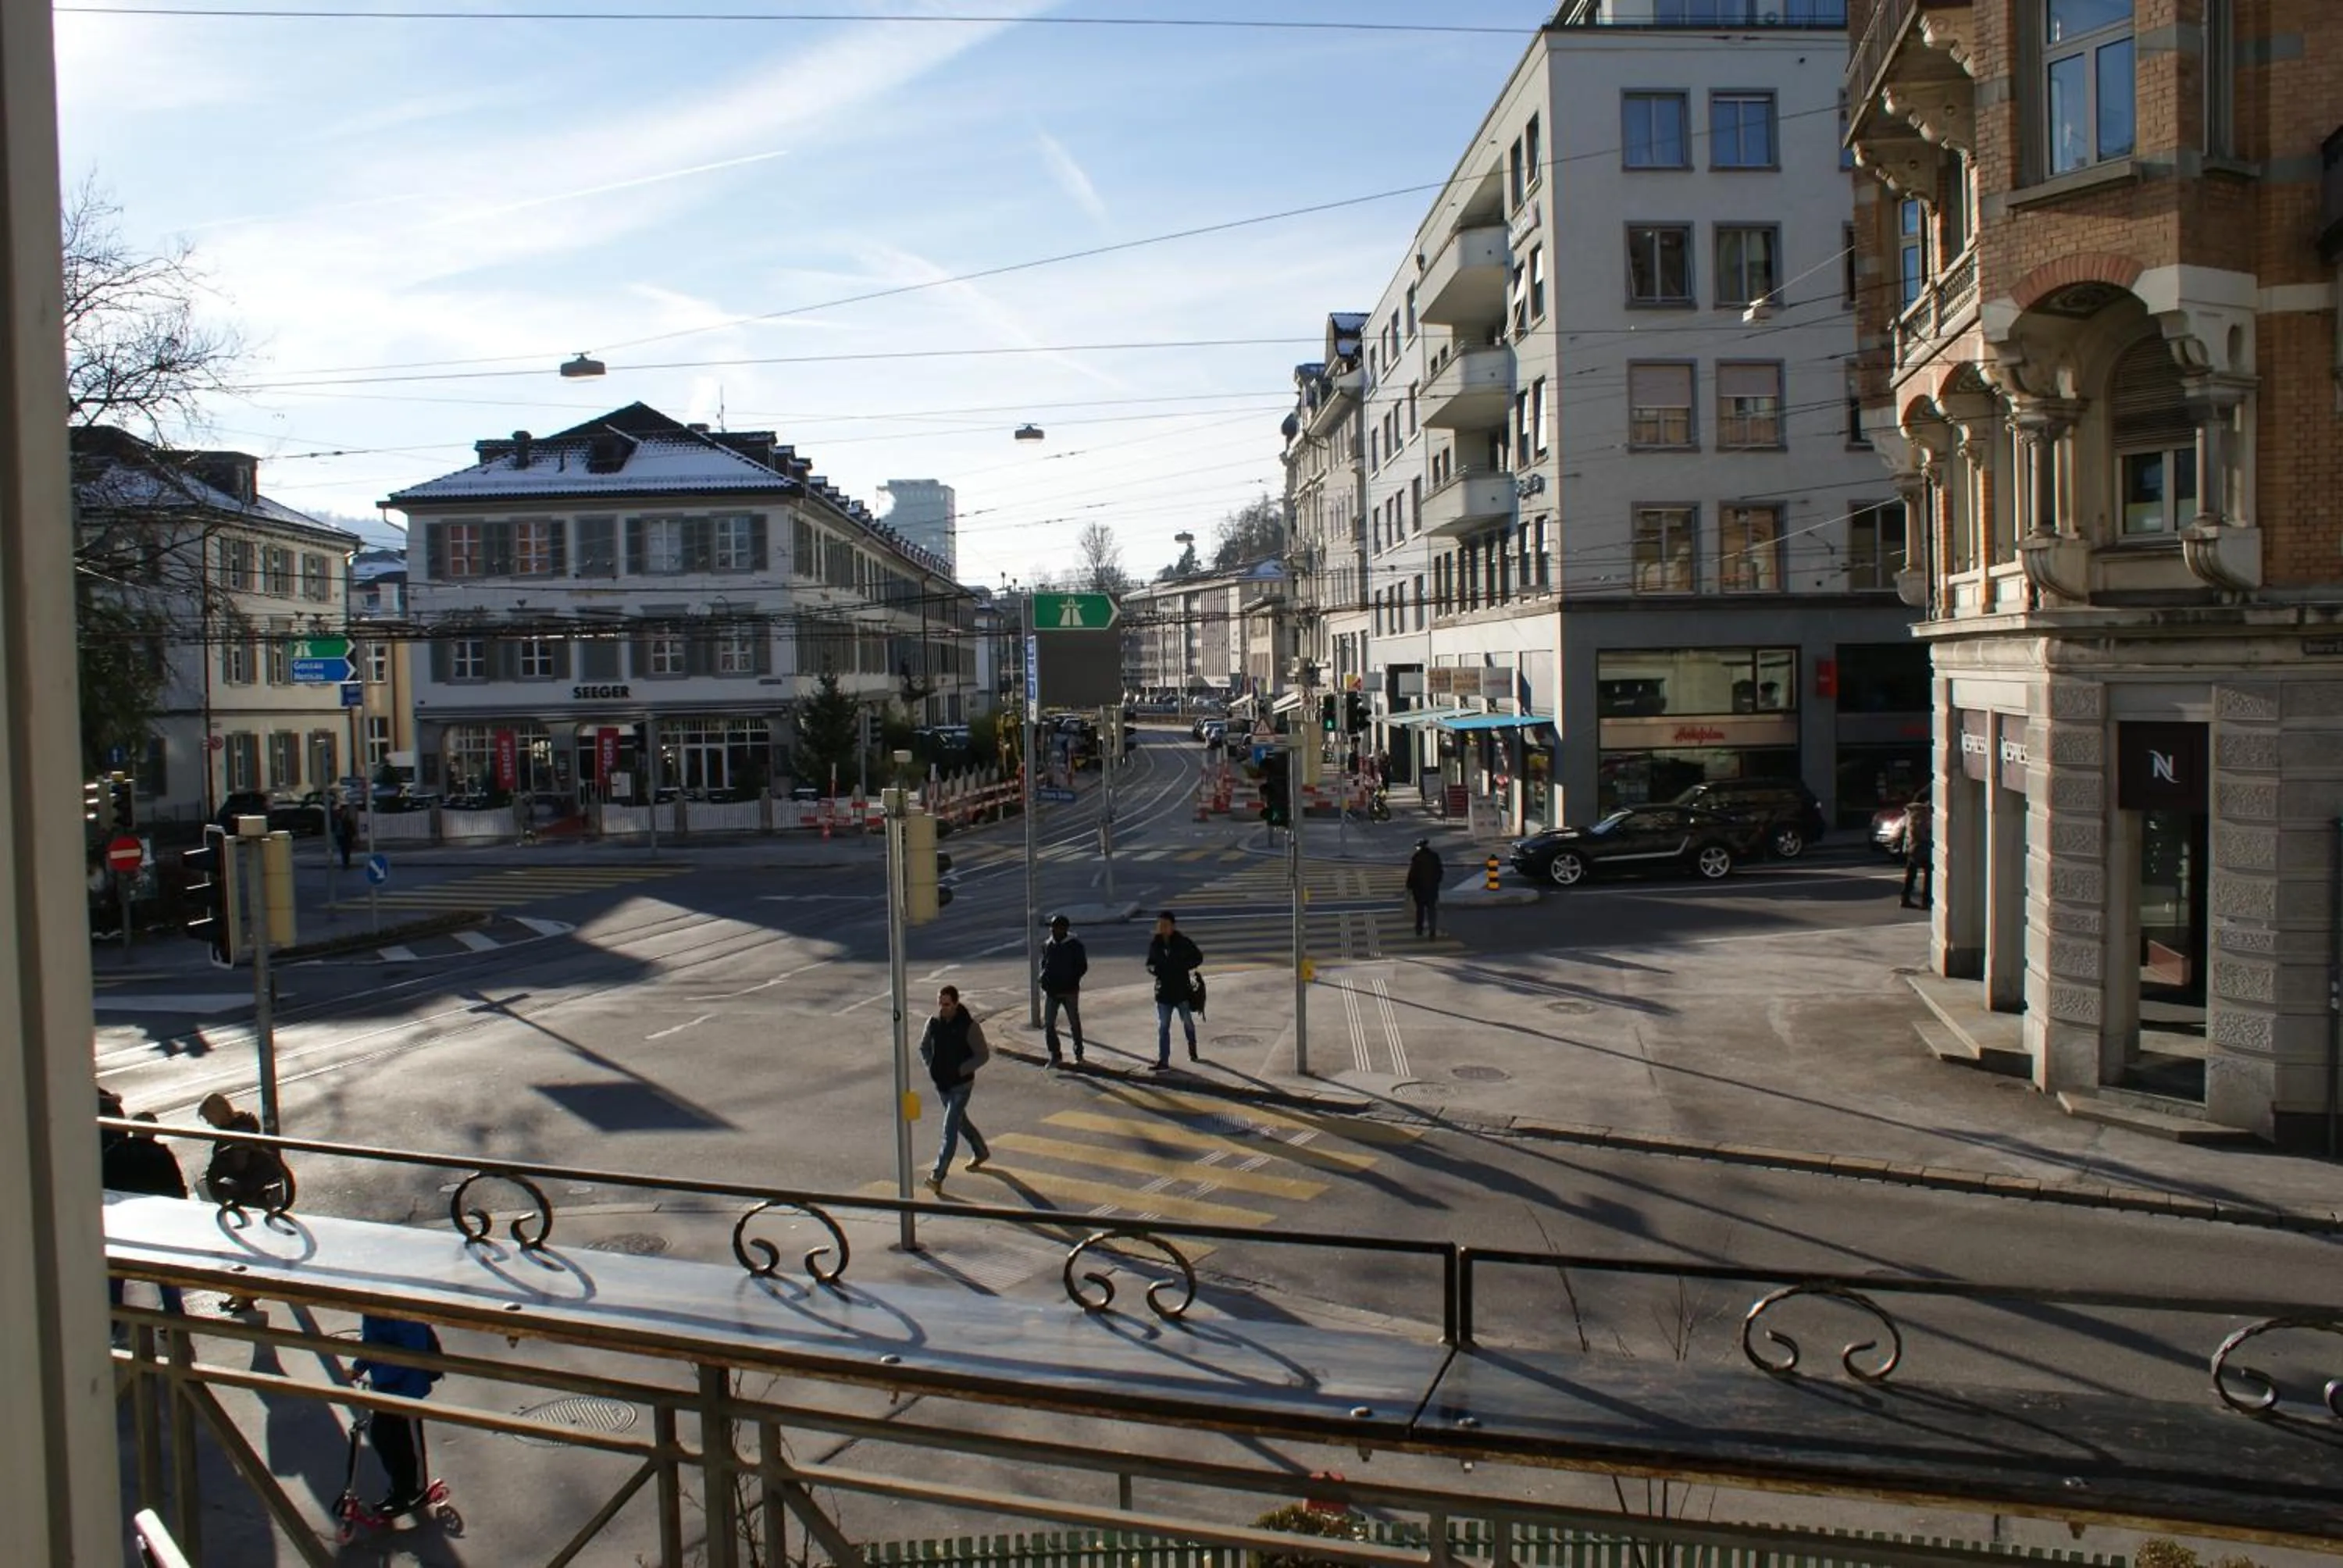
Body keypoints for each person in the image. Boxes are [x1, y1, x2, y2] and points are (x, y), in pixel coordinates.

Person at [198, 1091, 291, 1314]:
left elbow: (237, 1165)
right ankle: (242, 1293)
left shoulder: (234, 1134)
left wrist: (214, 1178)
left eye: (209, 1118)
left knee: (242, 1245)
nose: (210, 1124)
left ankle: (244, 1294)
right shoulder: (241, 1126)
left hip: (249, 1190)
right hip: (256, 1185)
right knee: (246, 1245)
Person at [352, 1313, 444, 1517]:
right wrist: (358, 1367)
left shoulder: (406, 1317)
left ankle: (417, 1490)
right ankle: (400, 1486)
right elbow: (370, 1344)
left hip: (407, 1387)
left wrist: (384, 1376)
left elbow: (412, 1354)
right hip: (386, 1387)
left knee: (408, 1440)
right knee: (382, 1435)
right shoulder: (370, 1314)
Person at [102, 1111, 188, 1324]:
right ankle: (174, 1318)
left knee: (116, 1272)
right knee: (164, 1273)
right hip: (156, 1222)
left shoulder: (114, 1152)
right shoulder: (162, 1155)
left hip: (122, 1221)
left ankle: (113, 1318)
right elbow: (177, 1191)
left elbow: (102, 1186)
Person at [916, 985, 993, 1192]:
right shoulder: (933, 1023)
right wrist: (932, 1066)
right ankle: (981, 1150)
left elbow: (983, 1055)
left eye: (947, 1004)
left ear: (956, 1003)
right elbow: (923, 1047)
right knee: (960, 1122)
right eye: (940, 1004)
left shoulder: (969, 1026)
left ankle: (937, 1176)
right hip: (942, 1085)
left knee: (949, 1129)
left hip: (961, 1086)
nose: (943, 1008)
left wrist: (961, 1069)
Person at [1144, 911, 1205, 1071]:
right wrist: (1154, 969)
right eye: (1160, 925)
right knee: (1164, 1027)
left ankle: (1192, 1049)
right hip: (1163, 993)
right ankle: (1163, 1060)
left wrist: (1183, 966)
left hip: (1181, 991)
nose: (1162, 928)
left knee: (1187, 1022)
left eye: (1165, 925)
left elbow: (1198, 957)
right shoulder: (1155, 944)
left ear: (1173, 926)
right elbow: (1149, 963)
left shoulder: (1182, 942)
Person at [1038, 914, 1089, 1068]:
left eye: (1057, 928)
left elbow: (1082, 967)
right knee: (1049, 1023)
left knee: (1074, 1022)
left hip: (1069, 991)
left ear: (1065, 929)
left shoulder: (1074, 945)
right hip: (1052, 992)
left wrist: (1071, 980)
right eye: (1052, 928)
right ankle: (1055, 1055)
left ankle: (1079, 1054)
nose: (1053, 931)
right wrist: (1044, 980)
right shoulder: (1048, 945)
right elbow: (1044, 965)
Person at [1404, 839, 1445, 939]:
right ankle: (1432, 930)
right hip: (1432, 888)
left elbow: (1413, 873)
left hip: (1419, 889)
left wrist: (1409, 885)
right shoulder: (1434, 856)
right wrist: (1436, 883)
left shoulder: (1417, 857)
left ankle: (1419, 930)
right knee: (1432, 909)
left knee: (1420, 910)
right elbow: (1440, 872)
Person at [1900, 799, 1935, 911]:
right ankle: (1926, 901)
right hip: (1921, 849)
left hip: (1913, 849)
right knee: (1929, 875)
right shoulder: (1919, 817)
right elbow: (1921, 835)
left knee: (1911, 875)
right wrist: (1930, 839)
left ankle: (1905, 898)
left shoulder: (1909, 817)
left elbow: (1907, 835)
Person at [333, 800, 360, 870]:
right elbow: (335, 828)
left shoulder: (347, 820)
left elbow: (352, 829)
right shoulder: (338, 819)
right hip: (342, 837)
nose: (342, 813)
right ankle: (345, 863)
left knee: (346, 851)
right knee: (344, 851)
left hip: (347, 837)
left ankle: (346, 863)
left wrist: (353, 836)